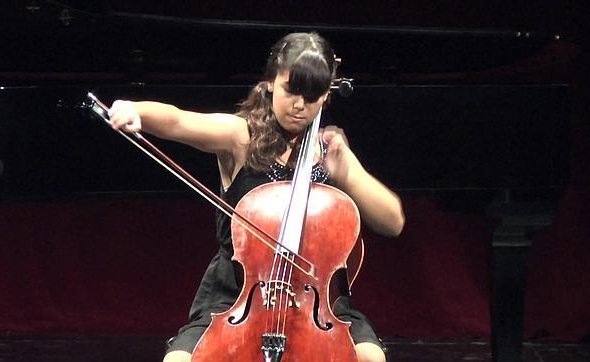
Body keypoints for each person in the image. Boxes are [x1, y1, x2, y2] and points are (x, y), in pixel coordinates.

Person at [108, 32, 404, 362]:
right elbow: (179, 119)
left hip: (318, 304)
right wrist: (136, 110)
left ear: (326, 97)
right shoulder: (240, 137)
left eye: (312, 95)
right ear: (269, 84)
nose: (299, 105)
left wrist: (346, 170)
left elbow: (393, 222)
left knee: (370, 357)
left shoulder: (329, 150)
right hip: (236, 294)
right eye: (291, 90)